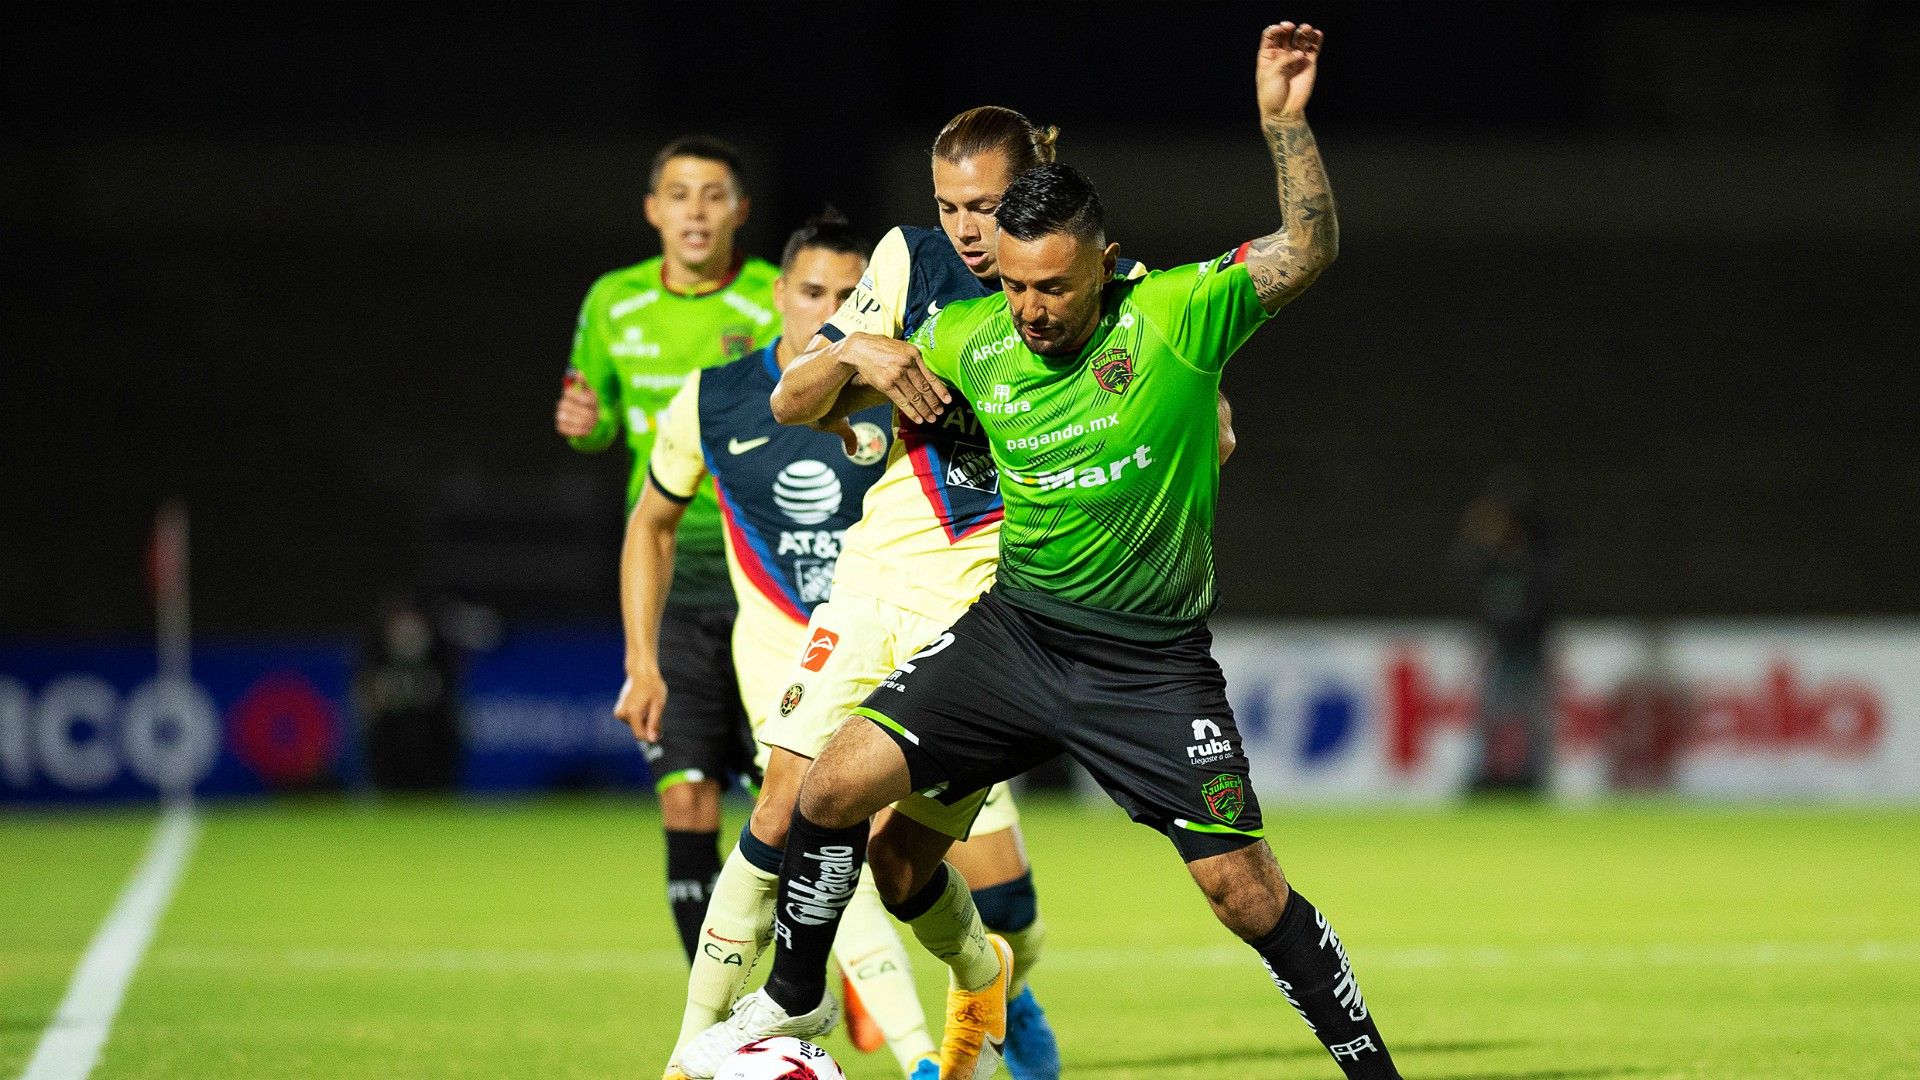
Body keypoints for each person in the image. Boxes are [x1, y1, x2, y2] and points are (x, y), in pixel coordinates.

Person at [689, 23, 1408, 1080]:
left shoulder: (1175, 313)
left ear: (1105, 266)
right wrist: (863, 357)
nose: (1027, 309)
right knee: (830, 789)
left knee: (1243, 895)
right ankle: (795, 1014)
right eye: (1013, 284)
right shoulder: (976, 333)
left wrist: (1285, 128)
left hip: (1148, 667)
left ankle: (1373, 1069)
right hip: (1013, 635)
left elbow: (1309, 248)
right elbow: (805, 393)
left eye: (1051, 289)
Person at [664, 106, 1099, 1080]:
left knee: (907, 871)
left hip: (988, 615)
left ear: (1033, 186)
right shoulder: (908, 259)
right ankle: (704, 1045)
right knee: (784, 805)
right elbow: (791, 399)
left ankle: (989, 979)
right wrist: (859, 350)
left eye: (985, 207)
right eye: (949, 208)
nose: (967, 232)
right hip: (875, 581)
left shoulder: (1090, 282)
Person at [616, 211, 942, 1075]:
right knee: (811, 827)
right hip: (790, 667)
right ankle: (896, 1053)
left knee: (987, 894)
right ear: (779, 296)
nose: (832, 308)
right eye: (813, 292)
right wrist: (643, 659)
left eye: (850, 294)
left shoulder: (907, 390)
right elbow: (650, 523)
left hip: (905, 642)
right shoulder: (716, 398)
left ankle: (993, 998)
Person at [554, 135, 781, 963]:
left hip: (771, 579)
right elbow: (597, 413)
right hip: (669, 581)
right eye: (678, 194)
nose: (695, 209)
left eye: (713, 194)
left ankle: (823, 965)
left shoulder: (776, 298)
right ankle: (715, 1006)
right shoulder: (611, 303)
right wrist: (590, 429)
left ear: (740, 212)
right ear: (653, 210)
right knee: (685, 798)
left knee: (789, 800)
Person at [1451, 474, 1564, 794]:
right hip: (1498, 650)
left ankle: (1532, 776)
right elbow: (1460, 571)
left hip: (1529, 649)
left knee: (1532, 716)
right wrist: (1476, 536)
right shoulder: (1487, 564)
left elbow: (1548, 590)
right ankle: (1489, 773)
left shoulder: (1533, 562)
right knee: (1490, 714)